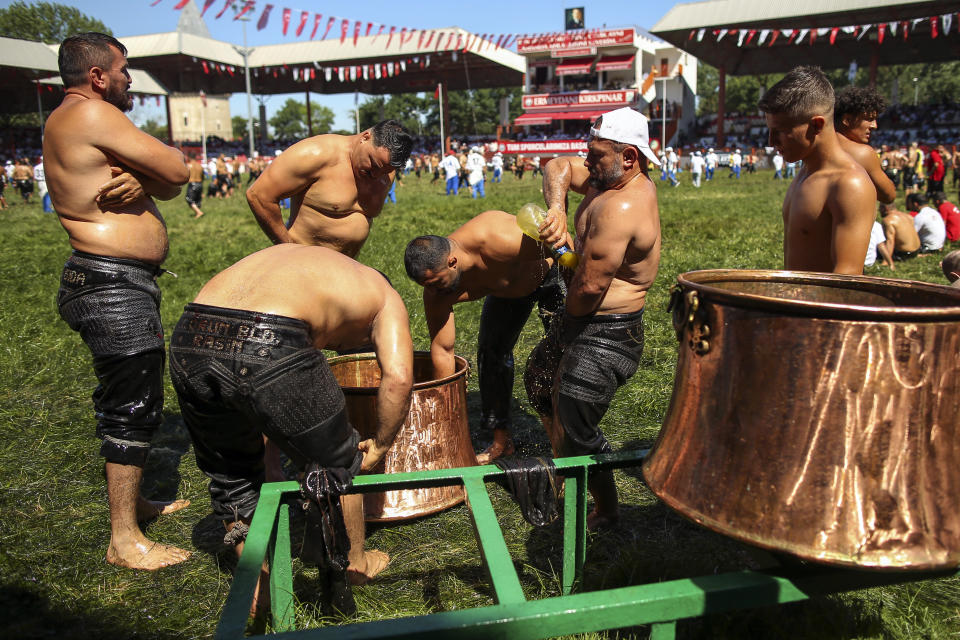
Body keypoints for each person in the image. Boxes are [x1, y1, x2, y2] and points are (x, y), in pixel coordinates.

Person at [169, 244, 413, 609]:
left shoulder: (314, 264)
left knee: (231, 477)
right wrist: (379, 444)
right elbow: (398, 378)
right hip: (271, 337)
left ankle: (259, 582)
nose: (338, 349)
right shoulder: (384, 297)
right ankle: (355, 564)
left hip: (192, 333)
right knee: (339, 463)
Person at [44, 32, 191, 570]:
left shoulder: (80, 118)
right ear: (99, 76)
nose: (130, 79)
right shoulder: (93, 113)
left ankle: (138, 507)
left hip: (115, 281)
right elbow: (178, 169)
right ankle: (123, 539)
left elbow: (171, 186)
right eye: (124, 70)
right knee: (131, 404)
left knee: (132, 391)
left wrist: (142, 183)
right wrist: (156, 176)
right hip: (109, 284)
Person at [531, 107, 662, 530]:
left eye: (596, 154)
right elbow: (556, 166)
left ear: (629, 157)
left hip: (608, 332)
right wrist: (556, 210)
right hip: (582, 317)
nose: (585, 161)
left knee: (577, 420)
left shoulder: (622, 206)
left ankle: (606, 508)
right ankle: (568, 465)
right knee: (538, 382)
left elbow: (588, 290)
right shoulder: (605, 178)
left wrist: (564, 329)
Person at [403, 211, 568, 464]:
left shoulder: (500, 239)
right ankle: (502, 442)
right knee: (491, 355)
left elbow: (566, 248)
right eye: (426, 286)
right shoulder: (437, 291)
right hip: (507, 293)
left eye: (436, 283)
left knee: (563, 358)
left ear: (452, 262)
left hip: (549, 276)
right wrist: (446, 408)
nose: (434, 292)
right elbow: (442, 349)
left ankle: (569, 450)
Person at [758, 66, 876, 274]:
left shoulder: (848, 185)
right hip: (796, 302)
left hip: (818, 306)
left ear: (816, 126)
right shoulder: (804, 173)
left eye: (781, 131)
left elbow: (846, 279)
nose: (771, 141)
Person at [246, 120, 412, 255]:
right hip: (301, 262)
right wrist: (288, 248)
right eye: (373, 164)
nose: (376, 175)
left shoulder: (386, 170)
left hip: (346, 267)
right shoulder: (316, 153)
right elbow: (259, 195)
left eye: (386, 171)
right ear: (365, 137)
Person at [833, 86, 896, 204]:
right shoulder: (862, 153)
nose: (874, 126)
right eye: (869, 119)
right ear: (847, 120)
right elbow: (889, 195)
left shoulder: (818, 146)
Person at [185, 154, 205, 219]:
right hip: (200, 184)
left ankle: (199, 212)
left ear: (190, 158)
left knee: (189, 199)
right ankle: (197, 213)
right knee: (197, 200)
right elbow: (203, 177)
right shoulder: (200, 166)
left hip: (192, 184)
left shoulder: (188, 165)